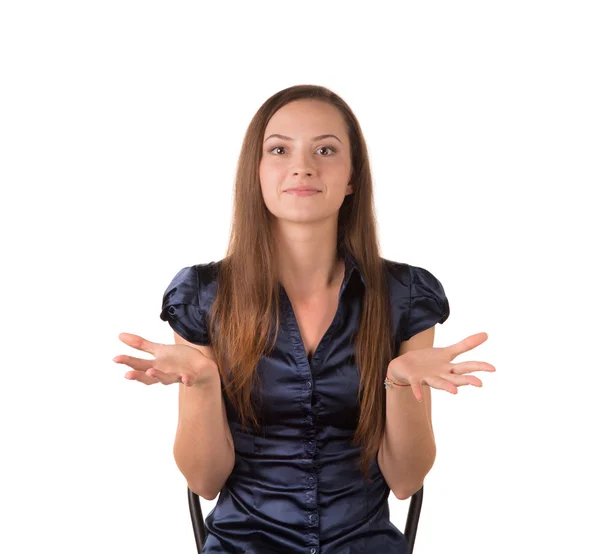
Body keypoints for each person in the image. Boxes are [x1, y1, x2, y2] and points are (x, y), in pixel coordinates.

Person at [113, 84, 495, 553]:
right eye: (279, 149)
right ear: (255, 172)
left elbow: (405, 480)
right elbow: (206, 481)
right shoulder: (203, 295)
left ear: (352, 177)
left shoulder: (403, 295)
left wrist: (398, 382)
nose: (303, 165)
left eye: (325, 149)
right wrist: (203, 383)